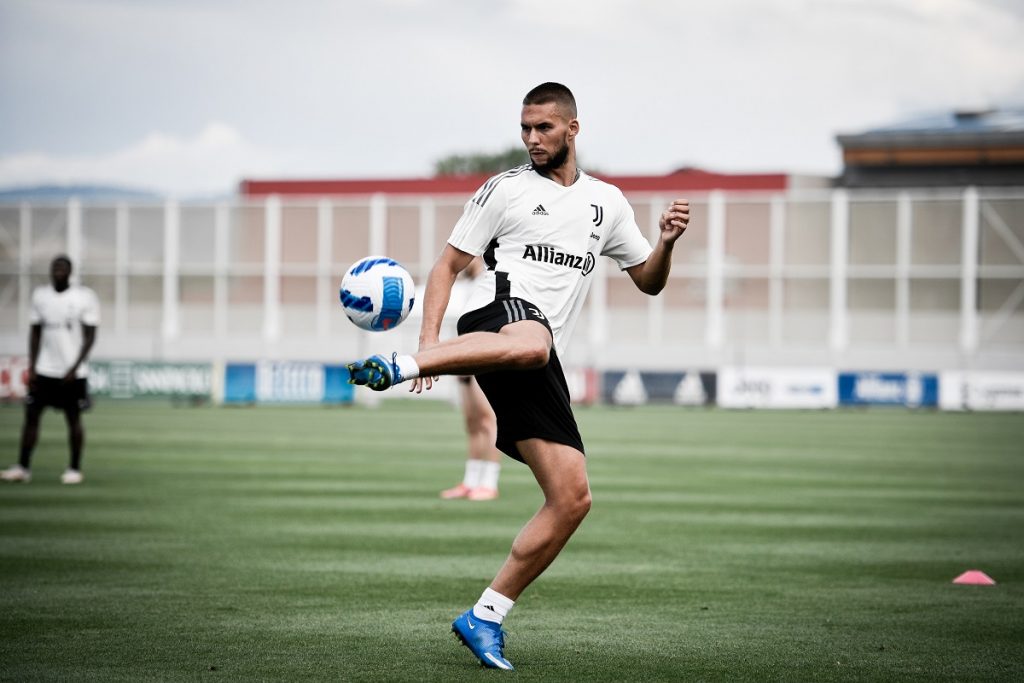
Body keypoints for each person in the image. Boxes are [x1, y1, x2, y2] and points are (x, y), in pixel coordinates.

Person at [348, 82, 689, 670]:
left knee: (572, 497)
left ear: (572, 129)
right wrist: (424, 347)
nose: (532, 139)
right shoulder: (504, 190)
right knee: (532, 342)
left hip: (537, 354)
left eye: (544, 128)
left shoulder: (607, 203)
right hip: (500, 320)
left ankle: (485, 616)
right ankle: (399, 368)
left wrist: (665, 243)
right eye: (526, 128)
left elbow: (649, 281)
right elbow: (446, 266)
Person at [1, 255, 99, 485]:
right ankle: (22, 467)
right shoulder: (40, 296)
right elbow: (35, 332)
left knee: (73, 419)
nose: (58, 271)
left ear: (71, 271)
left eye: (63, 267)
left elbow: (90, 335)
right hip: (44, 368)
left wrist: (76, 366)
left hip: (73, 372)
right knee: (31, 417)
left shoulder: (84, 297)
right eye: (55, 267)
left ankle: (74, 468)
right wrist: (32, 366)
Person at [440, 258, 502, 502]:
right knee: (471, 422)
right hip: (464, 357)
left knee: (488, 420)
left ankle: (489, 482)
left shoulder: (488, 281)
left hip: (482, 356)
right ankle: (471, 480)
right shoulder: (463, 284)